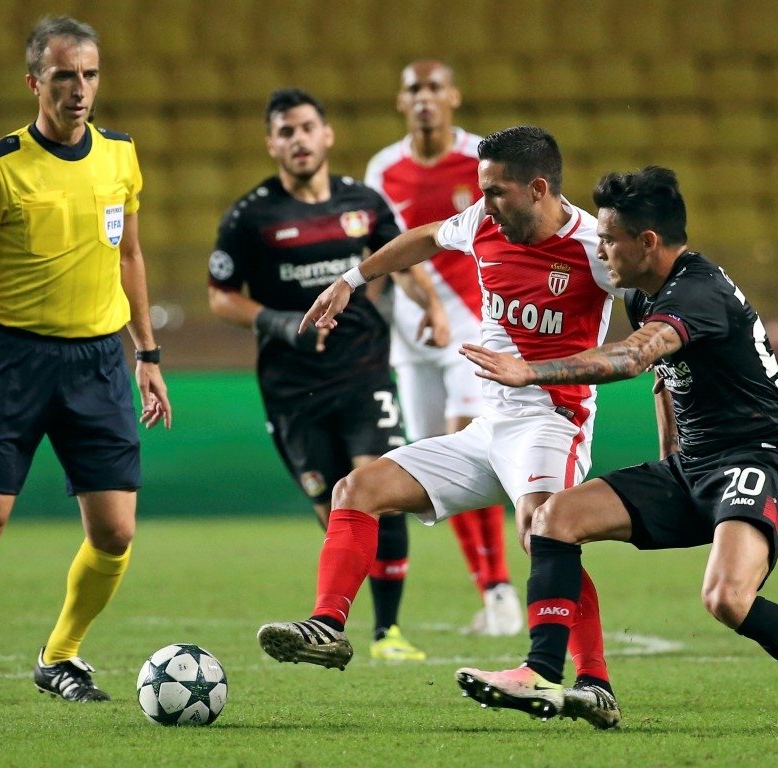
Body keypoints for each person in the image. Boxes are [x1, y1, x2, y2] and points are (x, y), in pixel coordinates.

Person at [453, 166, 778, 735]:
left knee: (727, 598)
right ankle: (541, 670)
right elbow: (663, 375)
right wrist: (670, 456)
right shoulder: (645, 290)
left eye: (609, 238)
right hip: (693, 467)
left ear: (648, 242)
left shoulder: (699, 291)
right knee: (552, 518)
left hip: (757, 459)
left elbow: (636, 356)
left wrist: (529, 372)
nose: (600, 247)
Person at [258, 125, 625, 730]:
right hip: (489, 427)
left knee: (545, 537)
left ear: (538, 189)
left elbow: (644, 323)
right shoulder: (483, 220)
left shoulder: (593, 248)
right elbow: (426, 238)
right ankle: (325, 625)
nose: (483, 203)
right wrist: (353, 281)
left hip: (552, 421)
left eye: (497, 192)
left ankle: (591, 681)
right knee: (359, 489)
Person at [0, 16, 171, 706]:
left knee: (116, 532)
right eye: (65, 76)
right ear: (36, 82)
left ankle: (60, 656)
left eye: (89, 74)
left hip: (97, 361)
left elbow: (130, 256)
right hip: (11, 357)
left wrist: (146, 354)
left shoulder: (121, 154)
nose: (80, 89)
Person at [208, 88, 448, 662]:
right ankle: (335, 625)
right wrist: (277, 320)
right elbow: (220, 296)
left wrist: (432, 306)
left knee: (377, 489)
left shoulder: (362, 201)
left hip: (364, 370)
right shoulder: (250, 216)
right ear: (272, 143)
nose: (298, 140)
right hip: (293, 390)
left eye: (306, 128)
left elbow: (400, 257)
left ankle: (385, 633)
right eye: (285, 132)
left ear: (327, 134)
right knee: (335, 514)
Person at [364, 59, 521, 636]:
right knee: (433, 462)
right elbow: (388, 249)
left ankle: (500, 590)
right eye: (413, 90)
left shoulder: (483, 158)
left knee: (466, 441)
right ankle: (492, 591)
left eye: (434, 87)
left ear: (453, 96)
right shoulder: (384, 168)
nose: (425, 98)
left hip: (475, 322)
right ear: (401, 102)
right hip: (410, 333)